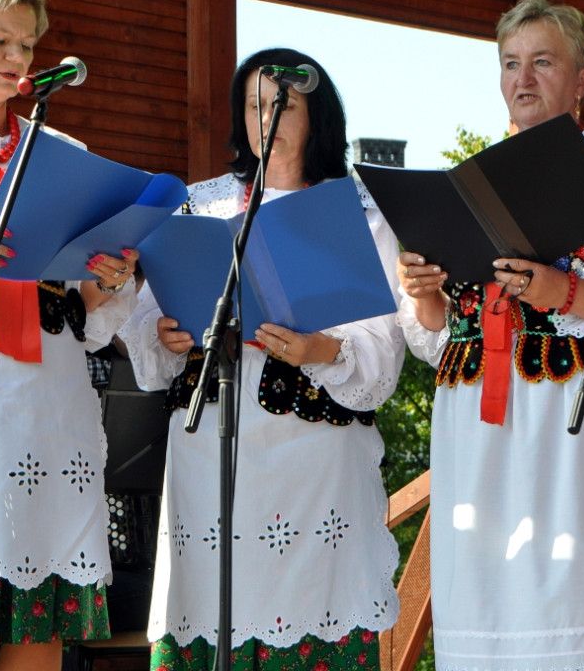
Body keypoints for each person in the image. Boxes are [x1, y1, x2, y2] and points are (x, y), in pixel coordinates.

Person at [397, 0, 584, 671]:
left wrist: (571, 292)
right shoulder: (470, 181)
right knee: (487, 599)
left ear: (582, 77)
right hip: (476, 425)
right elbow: (442, 341)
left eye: (541, 62)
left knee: (573, 599)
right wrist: (430, 301)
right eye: (509, 64)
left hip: (574, 419)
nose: (521, 79)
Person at [117, 47, 404, 671]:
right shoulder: (201, 203)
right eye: (252, 106)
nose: (264, 119)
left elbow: (383, 356)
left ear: (317, 117)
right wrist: (165, 334)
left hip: (316, 462)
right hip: (211, 453)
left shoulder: (357, 211)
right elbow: (144, 329)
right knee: (215, 613)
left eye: (282, 105)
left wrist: (320, 350)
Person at [0, 0, 138, 670]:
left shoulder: (64, 154)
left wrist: (105, 285)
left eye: (27, 45)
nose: (18, 60)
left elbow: (88, 317)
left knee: (39, 621)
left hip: (51, 408)